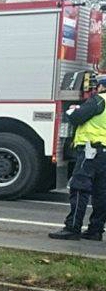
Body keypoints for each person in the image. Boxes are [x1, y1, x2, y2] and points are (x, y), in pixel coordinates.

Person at [50, 76, 106, 240]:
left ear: (102, 87)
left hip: (91, 151)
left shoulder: (98, 101)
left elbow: (76, 117)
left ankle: (72, 228)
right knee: (101, 193)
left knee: (80, 188)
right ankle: (95, 230)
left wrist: (72, 110)